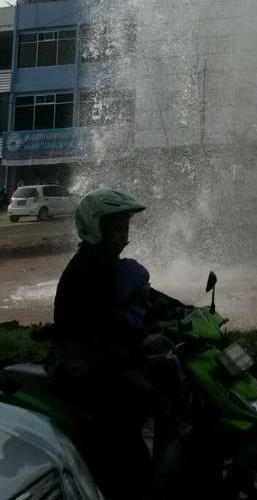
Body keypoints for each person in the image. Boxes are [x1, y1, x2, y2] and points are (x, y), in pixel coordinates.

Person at [51, 188, 188, 500]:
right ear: (94, 228)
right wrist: (145, 335)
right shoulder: (85, 271)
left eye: (125, 230)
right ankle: (132, 480)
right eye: (116, 230)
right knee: (144, 401)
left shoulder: (109, 265)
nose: (123, 238)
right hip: (85, 365)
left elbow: (145, 296)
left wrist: (186, 312)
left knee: (169, 374)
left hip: (111, 355)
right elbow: (106, 321)